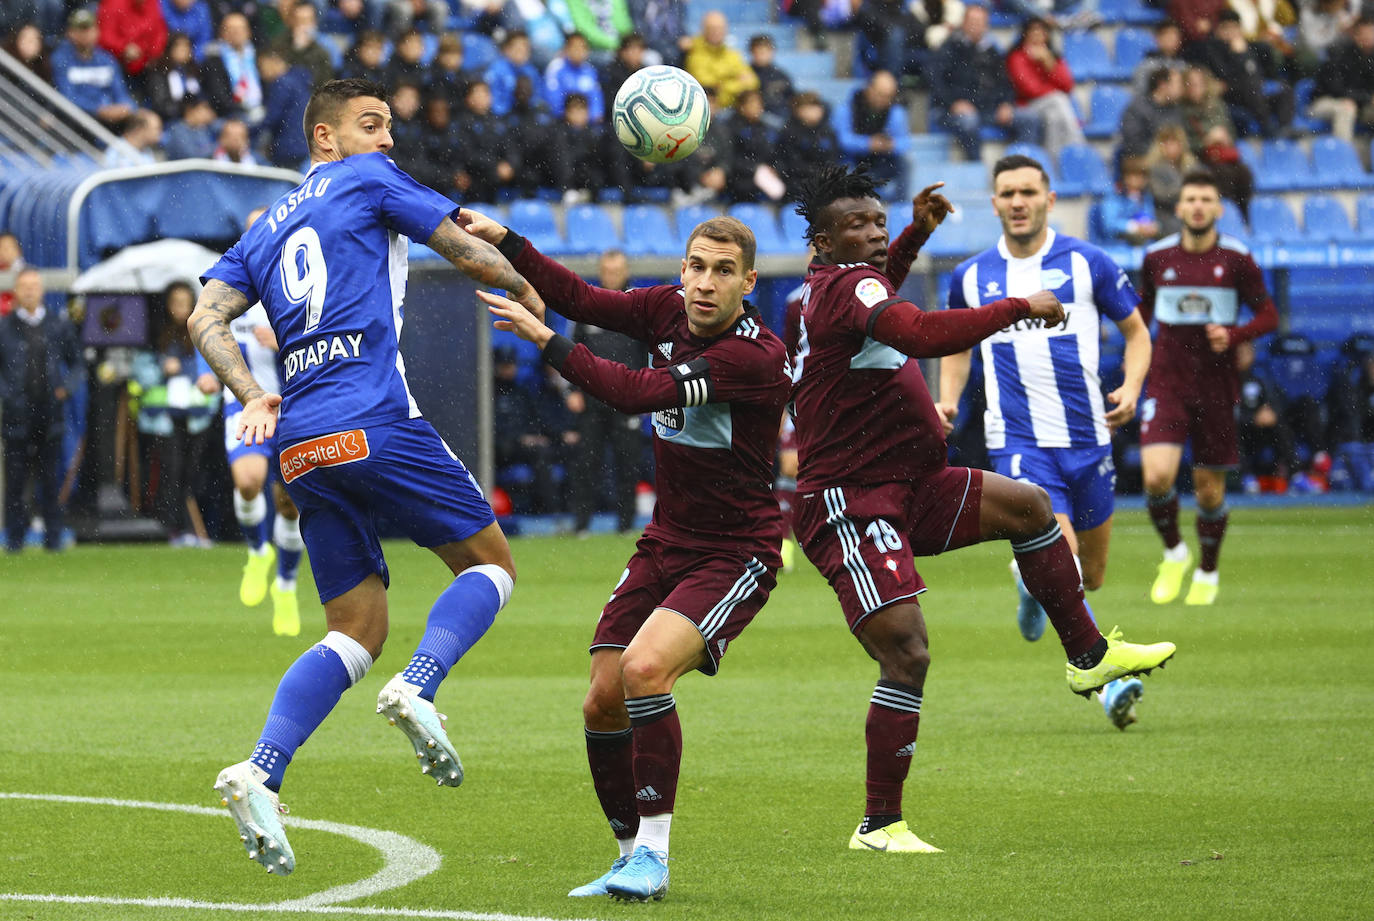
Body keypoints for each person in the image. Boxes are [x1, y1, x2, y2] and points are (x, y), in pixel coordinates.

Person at [192, 77, 546, 875]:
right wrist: (534, 297)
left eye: (390, 126)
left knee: (355, 628)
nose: (388, 140)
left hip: (300, 445)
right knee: (491, 562)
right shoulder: (369, 180)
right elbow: (465, 250)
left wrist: (252, 393)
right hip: (374, 418)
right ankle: (420, 685)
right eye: (371, 123)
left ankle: (260, 769)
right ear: (326, 138)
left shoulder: (263, 229)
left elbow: (203, 316)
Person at [788, 164, 1177, 852]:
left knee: (1028, 507)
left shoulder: (833, 287)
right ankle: (880, 824)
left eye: (880, 222)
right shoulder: (850, 286)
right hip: (852, 500)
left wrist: (911, 236)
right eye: (859, 225)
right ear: (821, 241)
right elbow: (919, 332)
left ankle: (1088, 655)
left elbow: (879, 296)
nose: (875, 234)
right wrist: (1020, 305)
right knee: (907, 651)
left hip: (909, 482)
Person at [470, 210, 790, 902]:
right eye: (697, 266)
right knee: (601, 699)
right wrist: (510, 242)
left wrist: (545, 340)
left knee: (645, 670)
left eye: (723, 271)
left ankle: (655, 852)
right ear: (681, 269)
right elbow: (585, 300)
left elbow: (633, 393)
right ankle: (626, 857)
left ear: (749, 282)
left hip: (736, 552)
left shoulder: (753, 357)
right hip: (666, 541)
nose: (705, 283)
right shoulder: (666, 308)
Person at [938, 154, 1155, 731]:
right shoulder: (972, 276)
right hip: (1019, 442)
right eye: (1007, 192)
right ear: (994, 202)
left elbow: (1137, 332)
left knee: (1092, 574)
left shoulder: (1089, 263)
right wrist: (949, 398)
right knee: (1067, 556)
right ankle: (1107, 681)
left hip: (1089, 439)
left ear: (1049, 199)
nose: (1017, 201)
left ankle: (1033, 588)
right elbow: (957, 345)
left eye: (1028, 191)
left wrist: (1132, 386)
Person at [1138, 169, 1278, 606]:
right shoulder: (1157, 257)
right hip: (1167, 381)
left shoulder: (1236, 259)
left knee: (1209, 491)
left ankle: (1208, 569)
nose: (1198, 206)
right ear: (1178, 208)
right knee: (1157, 476)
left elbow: (1268, 315)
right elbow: (1140, 315)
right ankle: (1175, 552)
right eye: (1191, 199)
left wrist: (1235, 336)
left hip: (1217, 387)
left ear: (1218, 208)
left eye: (1206, 199)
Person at [210, 207, 309, 636]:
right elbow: (211, 326)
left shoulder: (300, 278)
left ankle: (285, 587)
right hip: (247, 403)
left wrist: (287, 339)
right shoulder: (232, 281)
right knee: (249, 481)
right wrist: (206, 373)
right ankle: (257, 552)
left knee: (291, 503)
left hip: (296, 405)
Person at [131, 280, 220, 546]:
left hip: (197, 415)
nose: (180, 309)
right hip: (165, 417)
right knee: (171, 473)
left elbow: (215, 370)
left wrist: (205, 381)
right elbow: (140, 373)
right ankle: (173, 529)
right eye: (175, 303)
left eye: (185, 303)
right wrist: (161, 369)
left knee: (192, 475)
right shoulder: (155, 335)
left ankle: (193, 530)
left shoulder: (202, 332)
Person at [1, 268, 81, 553]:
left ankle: (53, 538)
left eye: (34, 286)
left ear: (42, 291)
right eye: (24, 287)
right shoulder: (4, 327)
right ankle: (14, 539)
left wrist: (66, 388)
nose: (30, 292)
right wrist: (7, 393)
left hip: (50, 416)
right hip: (15, 417)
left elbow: (77, 363)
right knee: (15, 482)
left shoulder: (57, 325)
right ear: (16, 291)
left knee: (51, 479)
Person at [569, 249, 643, 534]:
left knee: (628, 463)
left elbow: (649, 353)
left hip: (627, 398)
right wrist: (573, 390)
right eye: (607, 270)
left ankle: (625, 526)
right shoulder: (587, 307)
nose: (611, 275)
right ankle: (581, 526)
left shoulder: (638, 307)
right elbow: (572, 352)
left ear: (625, 272)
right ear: (601, 272)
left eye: (616, 270)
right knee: (586, 463)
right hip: (591, 398)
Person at [930, 4, 1029, 161]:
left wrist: (1006, 103)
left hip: (988, 110)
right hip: (951, 111)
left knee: (1029, 118)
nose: (976, 26)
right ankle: (978, 167)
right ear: (963, 22)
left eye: (980, 22)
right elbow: (936, 82)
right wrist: (953, 103)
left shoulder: (992, 51)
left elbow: (1006, 83)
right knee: (969, 121)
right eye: (972, 21)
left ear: (986, 25)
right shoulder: (949, 47)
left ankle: (1023, 165)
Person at [1006, 17, 1084, 156]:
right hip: (1027, 106)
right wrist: (1053, 89)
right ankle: (1079, 146)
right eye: (1033, 31)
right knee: (1058, 99)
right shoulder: (1017, 57)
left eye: (1041, 32)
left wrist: (1048, 62)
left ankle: (1053, 161)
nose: (1037, 35)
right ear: (1025, 34)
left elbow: (1067, 85)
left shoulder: (1052, 56)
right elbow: (1029, 89)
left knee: (1053, 118)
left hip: (1051, 106)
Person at [51, 9, 136, 130]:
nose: (86, 33)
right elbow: (67, 96)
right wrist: (98, 110)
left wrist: (124, 107)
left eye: (89, 28)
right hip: (77, 121)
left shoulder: (107, 60)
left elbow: (121, 93)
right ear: (70, 33)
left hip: (111, 120)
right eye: (81, 29)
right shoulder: (60, 59)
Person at [683, 10, 758, 108]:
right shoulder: (695, 52)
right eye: (712, 28)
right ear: (704, 29)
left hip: (735, 109)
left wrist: (722, 85)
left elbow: (753, 82)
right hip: (708, 109)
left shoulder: (733, 54)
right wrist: (737, 83)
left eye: (720, 28)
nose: (716, 32)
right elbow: (707, 86)